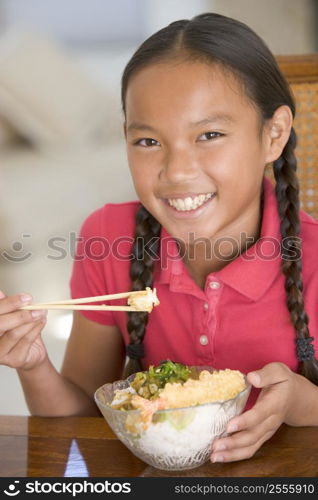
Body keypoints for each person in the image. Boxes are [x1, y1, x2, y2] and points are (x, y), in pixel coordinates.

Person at [0, 12, 318, 464]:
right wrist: (33, 365)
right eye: (148, 142)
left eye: (209, 134)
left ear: (274, 134)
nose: (177, 172)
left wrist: (301, 402)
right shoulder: (109, 238)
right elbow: (79, 424)